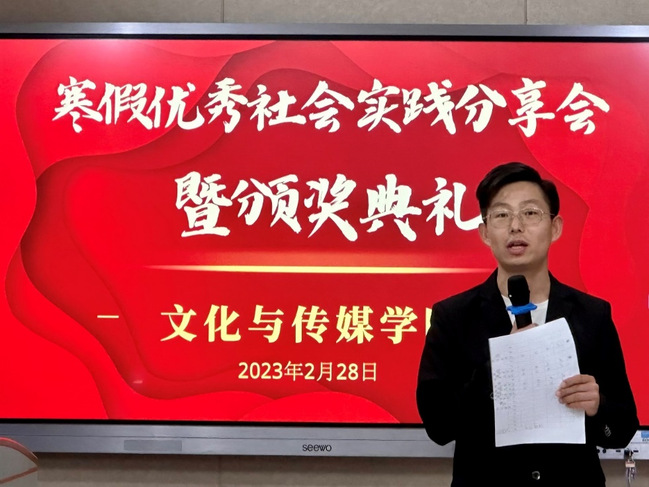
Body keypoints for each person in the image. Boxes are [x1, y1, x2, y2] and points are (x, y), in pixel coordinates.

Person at [416, 162, 638, 486]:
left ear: (555, 227)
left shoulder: (592, 315)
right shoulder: (454, 317)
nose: (516, 226)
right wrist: (497, 369)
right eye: (502, 215)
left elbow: (621, 429)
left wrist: (597, 405)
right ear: (485, 232)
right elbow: (438, 426)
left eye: (530, 213)